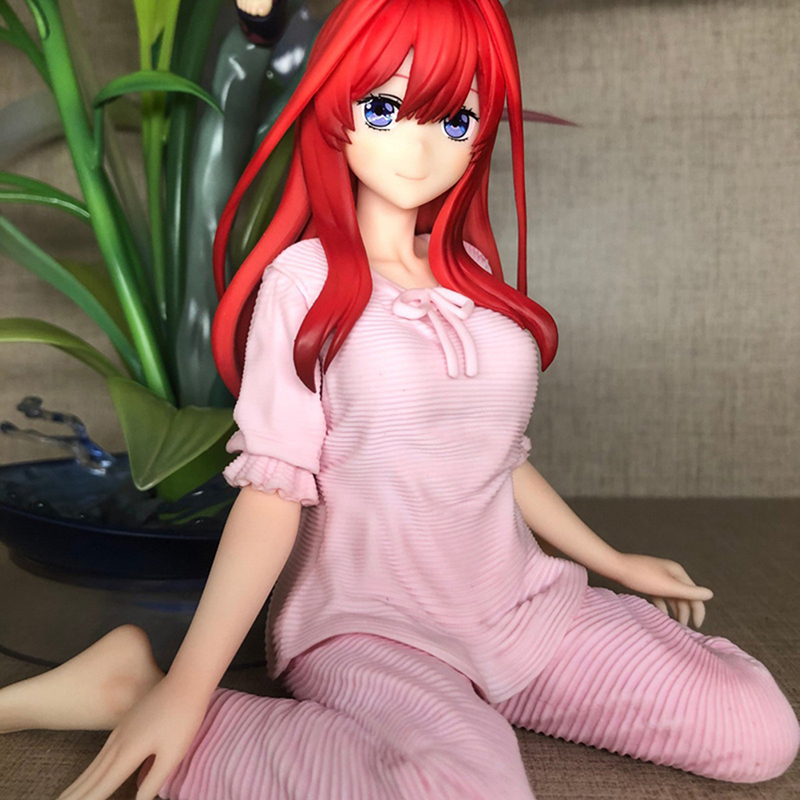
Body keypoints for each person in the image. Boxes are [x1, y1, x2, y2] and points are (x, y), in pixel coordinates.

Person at [1, 1, 798, 798]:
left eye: (455, 120)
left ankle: (474, 703)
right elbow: (273, 495)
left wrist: (609, 560)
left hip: (519, 607)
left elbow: (497, 459)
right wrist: (188, 684)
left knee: (759, 729)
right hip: (372, 626)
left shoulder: (474, 281)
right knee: (463, 790)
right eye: (383, 109)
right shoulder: (303, 283)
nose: (418, 149)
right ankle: (136, 692)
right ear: (335, 104)